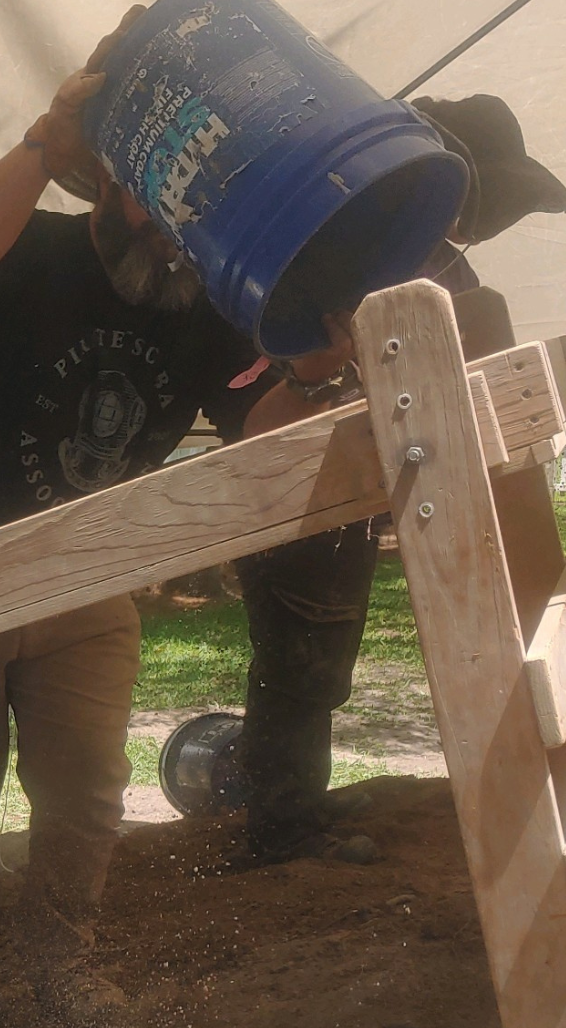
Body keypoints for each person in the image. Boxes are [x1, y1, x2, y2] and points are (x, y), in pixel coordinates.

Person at [0, 5, 347, 939]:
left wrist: (314, 375)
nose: (175, 230)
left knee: (85, 798)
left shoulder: (209, 306)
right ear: (112, 181)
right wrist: (48, 143)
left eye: (195, 214)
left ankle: (59, 970)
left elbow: (258, 430)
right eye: (158, 200)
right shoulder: (30, 248)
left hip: (86, 570)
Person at [235, 92, 566, 865]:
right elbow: (257, 427)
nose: (481, 229)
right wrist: (323, 376)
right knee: (305, 655)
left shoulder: (445, 273)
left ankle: (291, 815)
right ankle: (281, 828)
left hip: (367, 479)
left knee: (325, 651)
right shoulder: (331, 248)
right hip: (296, 474)